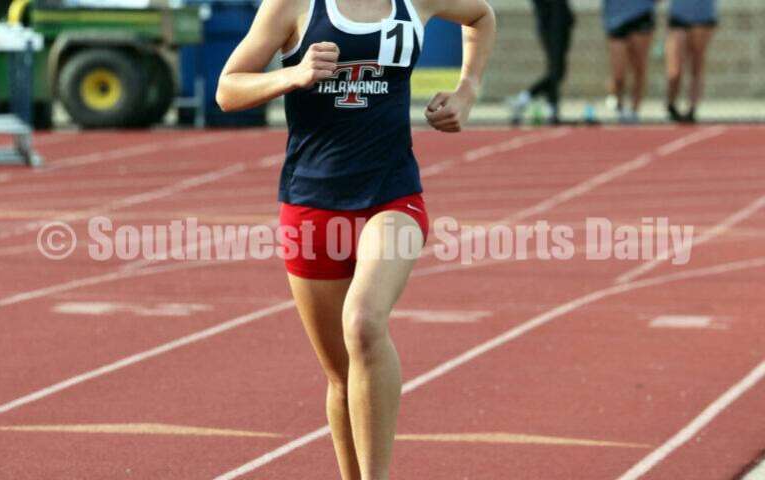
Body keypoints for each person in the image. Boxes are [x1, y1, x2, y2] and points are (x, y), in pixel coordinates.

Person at [215, 0, 496, 478]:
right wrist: (292, 75)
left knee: (364, 322)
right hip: (311, 203)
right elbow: (227, 89)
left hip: (392, 196)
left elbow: (482, 16)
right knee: (342, 376)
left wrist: (467, 91)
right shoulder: (293, 6)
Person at [508, 0, 575, 125]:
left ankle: (548, 107)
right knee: (556, 71)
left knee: (557, 71)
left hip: (561, 21)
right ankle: (526, 99)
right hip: (550, 23)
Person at [602, 0, 656, 123]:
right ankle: (618, 104)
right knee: (618, 74)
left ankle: (634, 110)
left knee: (639, 67)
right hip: (615, 19)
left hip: (641, 15)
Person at [665, 0, 717, 123]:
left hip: (703, 16)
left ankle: (692, 108)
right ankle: (671, 104)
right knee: (675, 70)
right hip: (678, 16)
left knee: (696, 65)